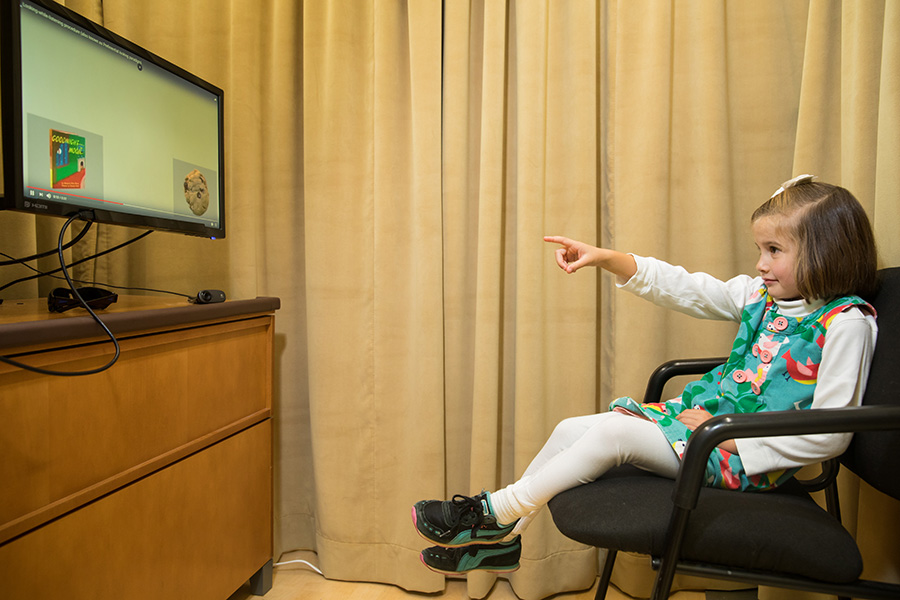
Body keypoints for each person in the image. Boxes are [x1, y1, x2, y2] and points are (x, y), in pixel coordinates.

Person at [412, 175, 879, 575]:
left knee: (615, 432)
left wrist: (735, 439)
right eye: (760, 249)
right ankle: (506, 544)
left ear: (824, 252)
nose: (760, 264)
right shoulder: (761, 295)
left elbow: (832, 432)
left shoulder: (847, 324)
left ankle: (494, 512)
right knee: (569, 429)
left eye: (774, 250)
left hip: (744, 459)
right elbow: (688, 288)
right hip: (710, 432)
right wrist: (607, 257)